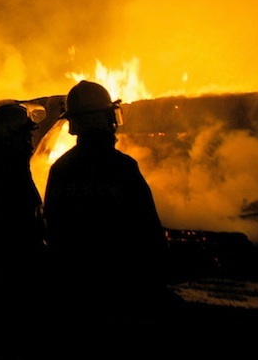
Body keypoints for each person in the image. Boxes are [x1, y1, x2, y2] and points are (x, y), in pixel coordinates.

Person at [42, 80, 171, 331]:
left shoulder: (61, 169)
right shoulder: (123, 167)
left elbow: (53, 231)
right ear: (106, 119)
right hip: (120, 290)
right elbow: (148, 231)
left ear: (74, 124)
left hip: (74, 291)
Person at [0, 102, 47, 290]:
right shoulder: (12, 175)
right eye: (27, 136)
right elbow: (24, 228)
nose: (31, 144)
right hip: (17, 273)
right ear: (15, 139)